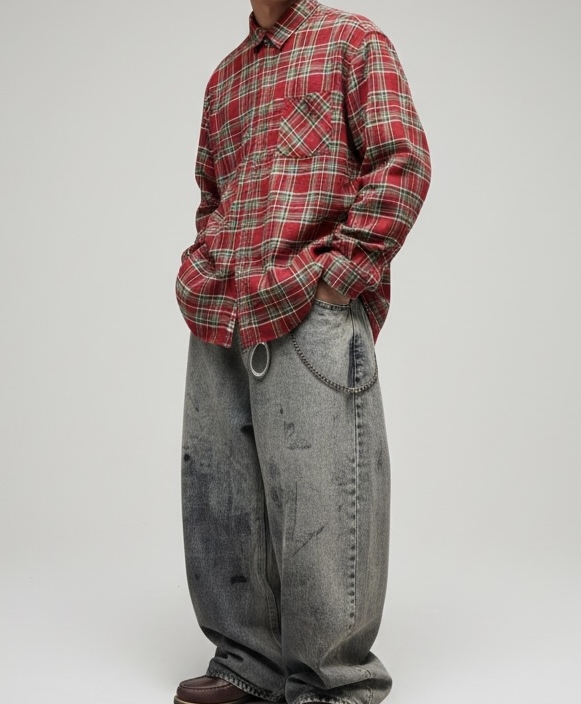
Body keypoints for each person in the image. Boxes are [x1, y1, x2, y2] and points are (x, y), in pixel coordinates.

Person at [173, 1, 431, 703]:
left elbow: (402, 162)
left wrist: (338, 278)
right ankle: (246, 664)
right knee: (221, 499)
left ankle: (334, 685)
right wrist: (202, 270)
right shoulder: (225, 78)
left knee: (326, 495)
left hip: (309, 310)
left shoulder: (353, 42)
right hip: (223, 314)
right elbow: (212, 197)